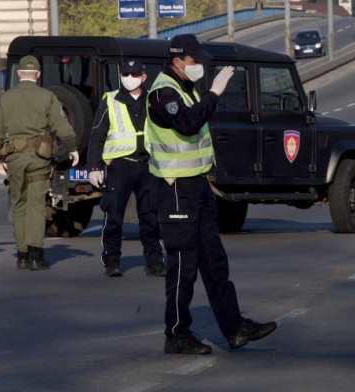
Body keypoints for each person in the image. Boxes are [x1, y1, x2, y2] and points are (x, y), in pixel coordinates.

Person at [147, 34, 276, 355]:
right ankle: (176, 334)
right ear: (178, 62)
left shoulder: (185, 89)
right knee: (182, 264)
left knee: (215, 260)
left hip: (198, 186)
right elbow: (188, 125)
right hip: (176, 189)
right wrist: (216, 92)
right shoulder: (163, 92)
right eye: (195, 61)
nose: (200, 66)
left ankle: (234, 328)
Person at [0, 55, 78, 270]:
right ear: (38, 75)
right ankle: (37, 256)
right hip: (39, 158)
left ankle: (21, 255)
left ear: (19, 74)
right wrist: (72, 148)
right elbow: (62, 127)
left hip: (15, 159)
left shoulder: (5, 98)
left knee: (19, 205)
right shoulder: (47, 97)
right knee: (36, 205)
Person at [87, 59, 166, 278]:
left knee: (150, 216)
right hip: (120, 166)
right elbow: (97, 135)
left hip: (148, 165)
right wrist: (94, 166)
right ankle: (112, 260)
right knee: (113, 216)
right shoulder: (110, 100)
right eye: (125, 74)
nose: (129, 79)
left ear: (143, 77)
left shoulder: (154, 99)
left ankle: (155, 262)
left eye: (134, 75)